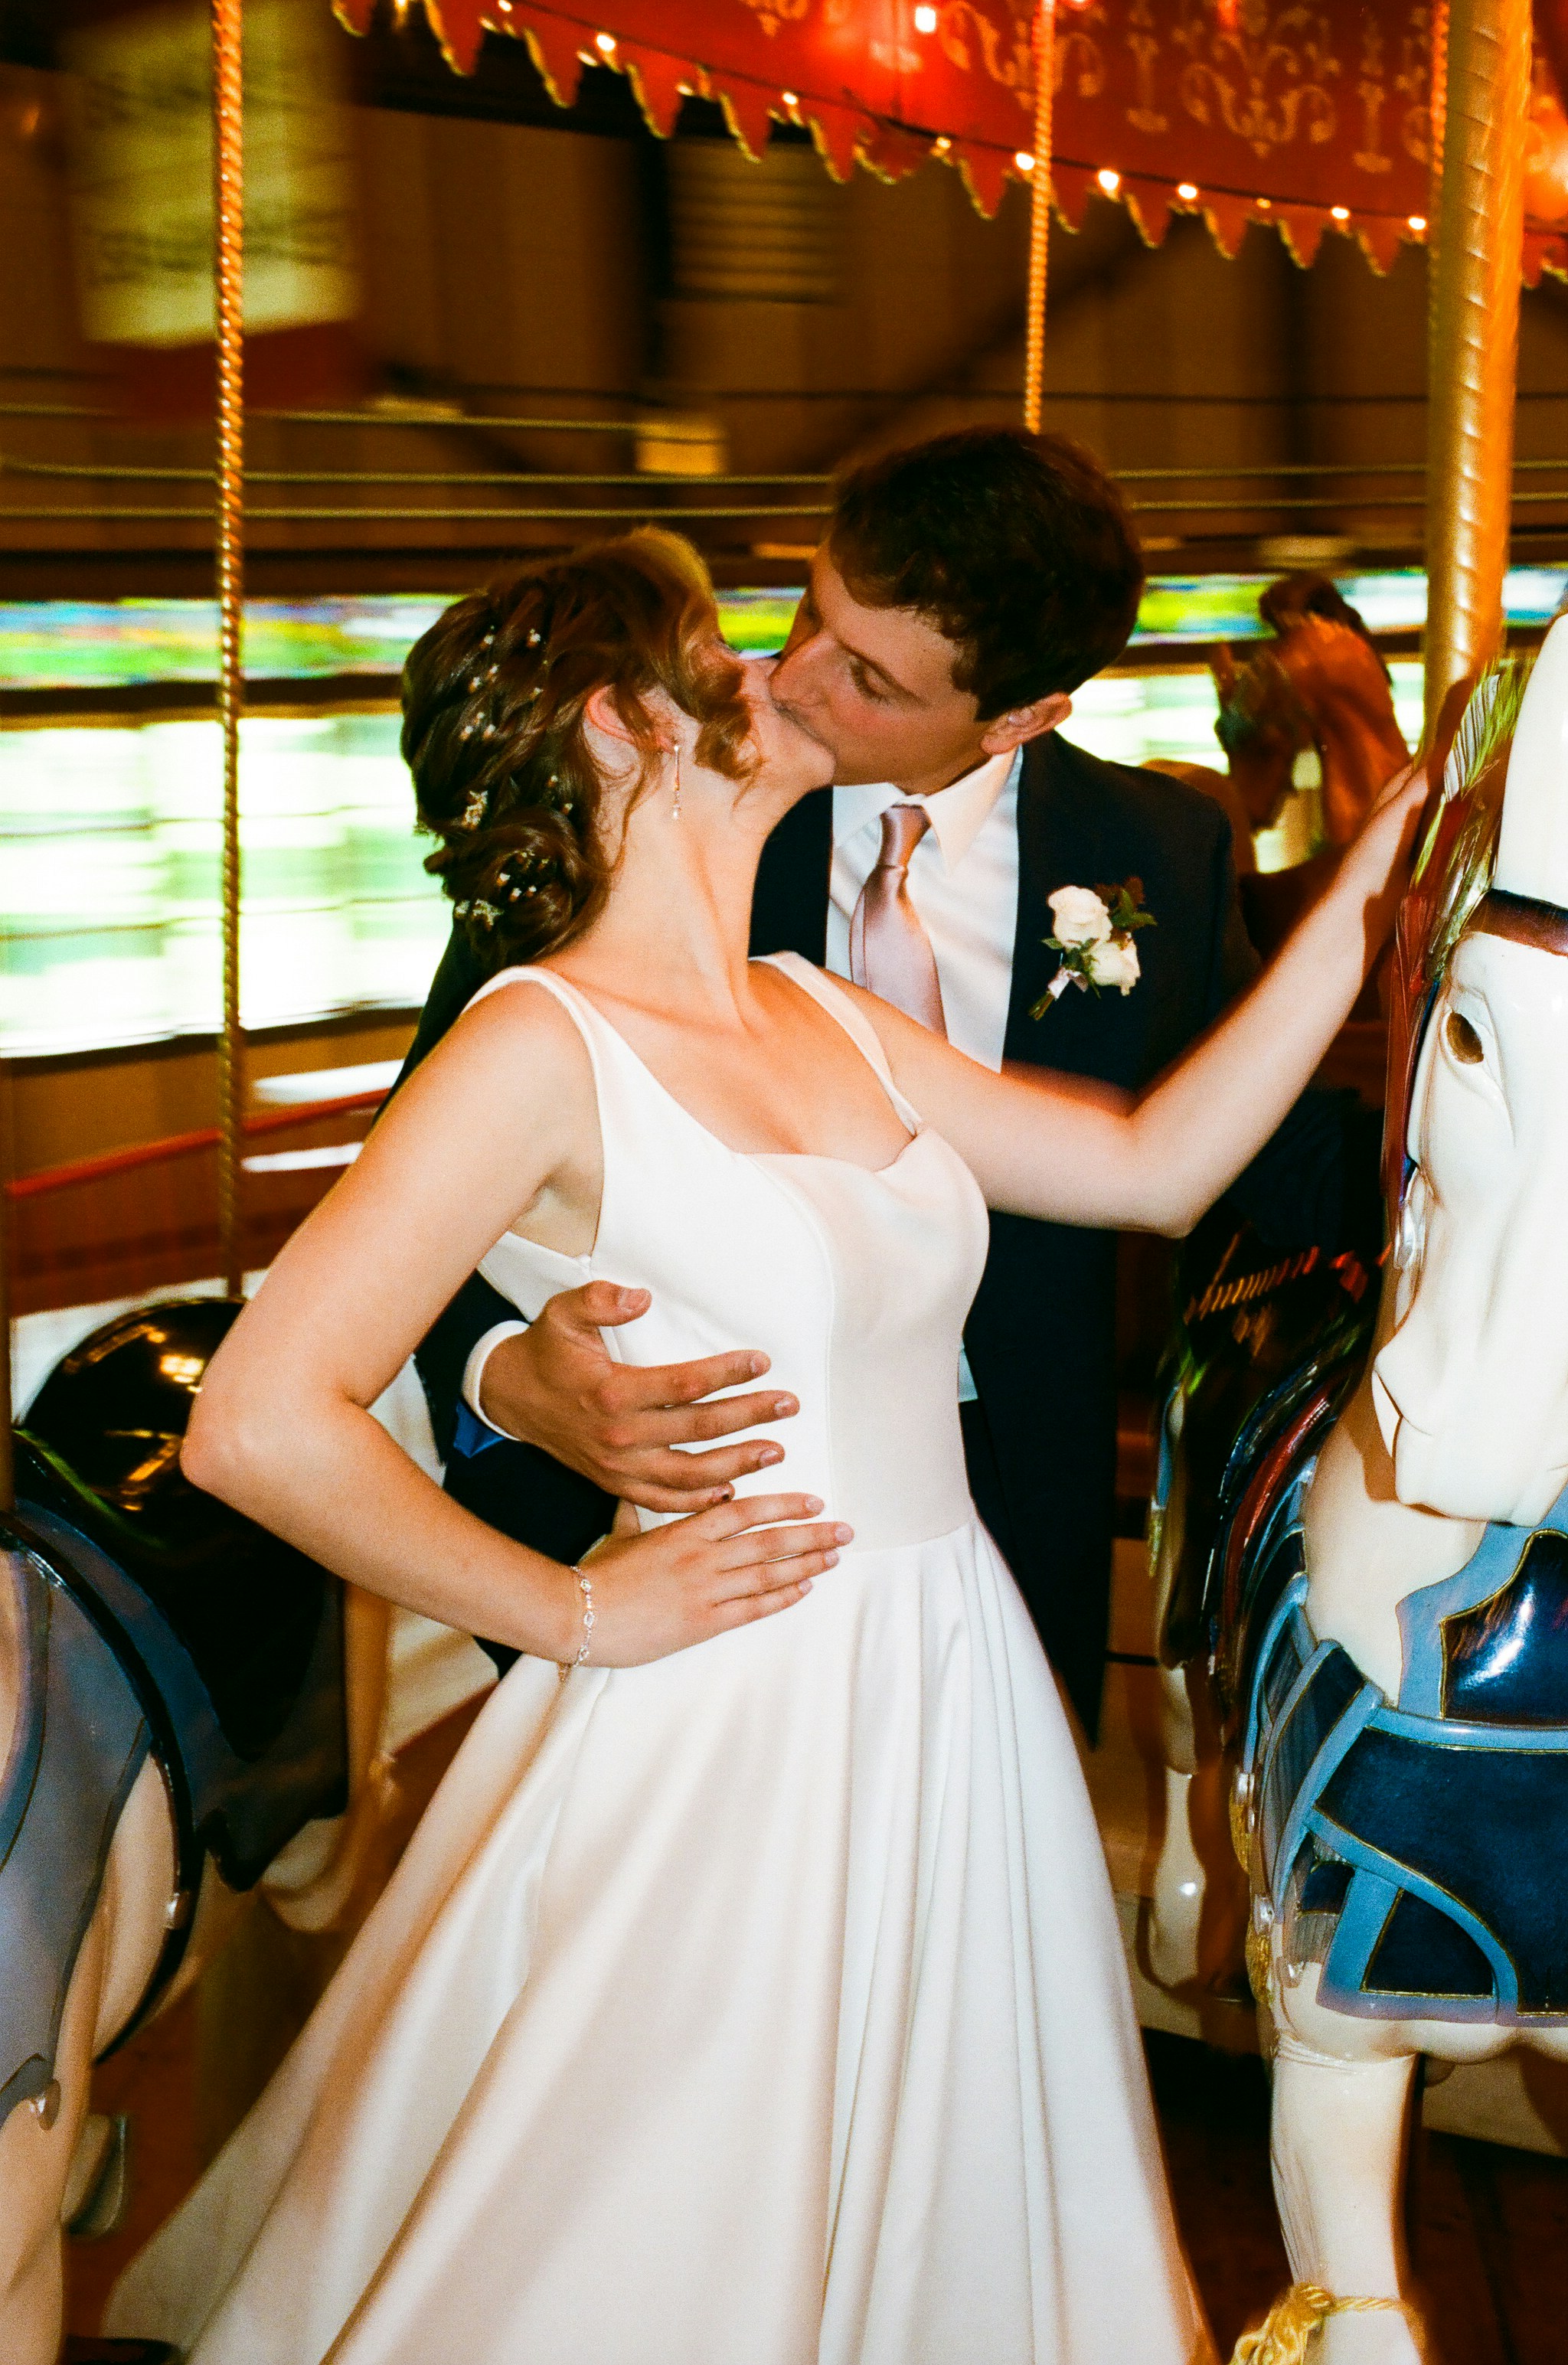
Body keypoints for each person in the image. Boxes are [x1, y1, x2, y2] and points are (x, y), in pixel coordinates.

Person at [106, 530, 1422, 2364]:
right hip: (730, 1709)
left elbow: (1152, 1167)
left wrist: (1390, 860)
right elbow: (257, 1421)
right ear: (624, 727)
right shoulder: (532, 1041)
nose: (773, 678)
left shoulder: (817, 1006)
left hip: (946, 1672)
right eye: (722, 657)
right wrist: (570, 1610)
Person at [407, 430, 1361, 1738]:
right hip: (692, 1517)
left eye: (865, 674)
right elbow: (428, 1177)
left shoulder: (1152, 855)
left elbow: (1223, 1155)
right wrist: (511, 1376)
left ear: (1018, 715)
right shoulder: (638, 814)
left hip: (997, 1505)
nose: (791, 684)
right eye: (807, 614)